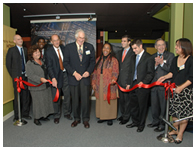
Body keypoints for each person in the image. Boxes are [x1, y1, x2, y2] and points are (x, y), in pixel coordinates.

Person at [158, 38, 193, 144]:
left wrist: (181, 87)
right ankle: (175, 129)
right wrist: (164, 77)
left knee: (183, 113)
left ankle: (180, 133)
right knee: (174, 110)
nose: (176, 47)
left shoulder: (191, 60)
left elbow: (192, 78)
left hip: (186, 91)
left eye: (177, 45)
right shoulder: (175, 59)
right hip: (174, 89)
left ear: (184, 47)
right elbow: (172, 73)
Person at [64, 29, 95, 129]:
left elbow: (92, 62)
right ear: (76, 37)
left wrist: (88, 72)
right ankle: (76, 118)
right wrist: (74, 73)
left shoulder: (89, 47)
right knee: (75, 100)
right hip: (74, 78)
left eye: (83, 38)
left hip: (85, 78)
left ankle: (85, 119)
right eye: (80, 38)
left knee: (86, 100)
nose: (82, 40)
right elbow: (66, 63)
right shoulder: (68, 48)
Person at [126, 39, 154, 132]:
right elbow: (130, 71)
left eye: (135, 48)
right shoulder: (133, 57)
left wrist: (144, 82)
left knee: (142, 106)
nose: (134, 51)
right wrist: (128, 83)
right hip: (133, 84)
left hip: (143, 86)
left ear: (141, 46)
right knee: (133, 105)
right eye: (132, 49)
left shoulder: (149, 58)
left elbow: (150, 73)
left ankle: (141, 125)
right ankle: (135, 122)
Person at [147, 38, 174, 132]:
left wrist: (162, 63)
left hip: (164, 85)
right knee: (154, 105)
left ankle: (162, 124)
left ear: (165, 46)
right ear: (155, 47)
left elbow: (172, 69)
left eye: (162, 44)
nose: (161, 47)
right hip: (154, 85)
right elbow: (150, 71)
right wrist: (155, 64)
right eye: (158, 45)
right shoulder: (152, 56)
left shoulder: (170, 56)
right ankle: (155, 121)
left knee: (163, 106)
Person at [45, 34, 72, 124]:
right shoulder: (48, 52)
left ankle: (67, 113)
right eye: (54, 40)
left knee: (67, 95)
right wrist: (53, 78)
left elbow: (69, 62)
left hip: (66, 75)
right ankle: (56, 115)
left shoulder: (64, 49)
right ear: (51, 42)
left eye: (58, 40)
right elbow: (49, 66)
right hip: (55, 76)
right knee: (56, 96)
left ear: (60, 40)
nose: (56, 42)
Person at [26, 45, 54, 126]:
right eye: (36, 52)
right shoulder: (29, 63)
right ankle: (36, 118)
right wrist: (40, 79)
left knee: (45, 101)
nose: (38, 53)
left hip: (45, 86)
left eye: (38, 52)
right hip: (36, 87)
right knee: (37, 103)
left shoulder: (42, 61)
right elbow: (30, 75)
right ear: (32, 54)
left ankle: (44, 115)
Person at [92, 43, 119, 126]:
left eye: (108, 48)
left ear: (110, 50)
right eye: (104, 48)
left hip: (109, 83)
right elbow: (94, 73)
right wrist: (93, 82)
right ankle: (102, 116)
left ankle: (110, 117)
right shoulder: (98, 60)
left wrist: (114, 79)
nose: (105, 50)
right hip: (99, 82)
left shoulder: (114, 60)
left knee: (109, 100)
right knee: (101, 100)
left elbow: (116, 72)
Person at [6, 34, 31, 122]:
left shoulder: (24, 49)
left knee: (25, 96)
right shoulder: (11, 50)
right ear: (14, 41)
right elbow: (8, 65)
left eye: (21, 39)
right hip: (17, 77)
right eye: (18, 39)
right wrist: (14, 75)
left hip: (25, 76)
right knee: (17, 96)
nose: (21, 40)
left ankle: (25, 113)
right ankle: (17, 115)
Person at [116, 35, 134, 125]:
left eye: (124, 41)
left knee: (127, 100)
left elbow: (132, 69)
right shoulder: (119, 52)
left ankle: (126, 117)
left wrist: (129, 82)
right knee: (121, 99)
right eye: (122, 41)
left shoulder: (133, 53)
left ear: (129, 42)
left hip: (127, 81)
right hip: (119, 81)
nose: (122, 43)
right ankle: (123, 114)